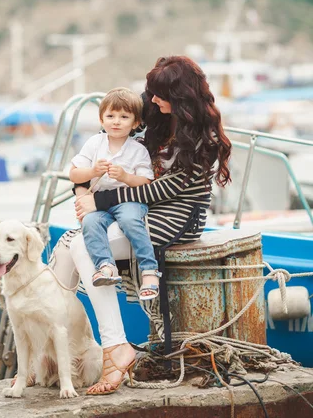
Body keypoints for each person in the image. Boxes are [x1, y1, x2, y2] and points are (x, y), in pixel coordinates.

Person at [49, 56, 231, 395]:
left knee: (78, 245)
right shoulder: (158, 120)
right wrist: (83, 190)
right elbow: (106, 157)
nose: (154, 100)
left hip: (176, 217)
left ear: (180, 96)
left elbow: (165, 189)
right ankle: (65, 350)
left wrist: (99, 202)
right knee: (74, 245)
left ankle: (109, 349)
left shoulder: (203, 139)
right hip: (135, 206)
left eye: (160, 94)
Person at [69, 87, 161, 299]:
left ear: (135, 123)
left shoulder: (138, 149)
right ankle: (106, 266)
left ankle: (149, 270)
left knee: (130, 220)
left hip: (128, 200)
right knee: (91, 223)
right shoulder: (94, 143)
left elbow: (145, 180)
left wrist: (125, 177)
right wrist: (93, 171)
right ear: (101, 120)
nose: (116, 121)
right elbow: (74, 174)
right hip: (99, 203)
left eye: (124, 117)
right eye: (110, 116)